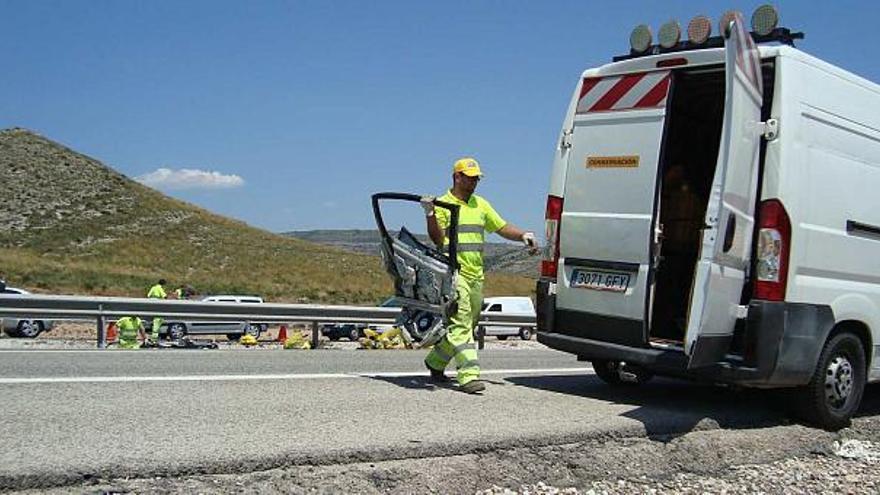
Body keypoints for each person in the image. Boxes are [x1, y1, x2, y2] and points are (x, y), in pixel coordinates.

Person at [421, 157, 537, 394]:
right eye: (470, 177)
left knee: (467, 325)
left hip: (476, 275)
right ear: (457, 177)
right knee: (461, 322)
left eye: (477, 178)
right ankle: (469, 375)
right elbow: (437, 239)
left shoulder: (480, 205)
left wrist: (522, 235)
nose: (475, 181)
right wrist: (430, 214)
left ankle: (435, 362)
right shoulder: (443, 204)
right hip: (454, 273)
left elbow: (501, 227)